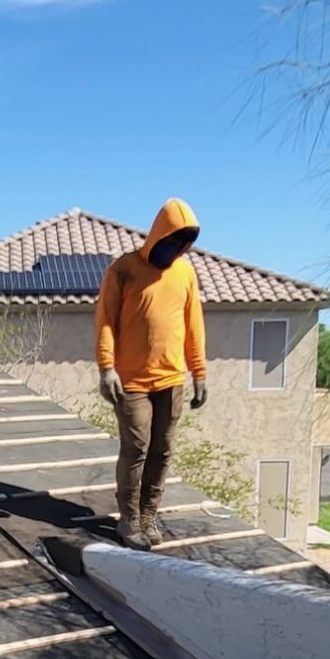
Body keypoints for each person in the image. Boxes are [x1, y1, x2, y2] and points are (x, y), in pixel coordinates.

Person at [94, 197, 208, 550]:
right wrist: (106, 368)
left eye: (182, 243)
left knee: (163, 449)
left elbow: (193, 326)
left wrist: (199, 372)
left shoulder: (185, 273)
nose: (175, 249)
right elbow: (105, 320)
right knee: (137, 448)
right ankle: (128, 518)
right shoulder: (123, 269)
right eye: (171, 240)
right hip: (131, 382)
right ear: (159, 235)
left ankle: (148, 515)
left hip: (172, 379)